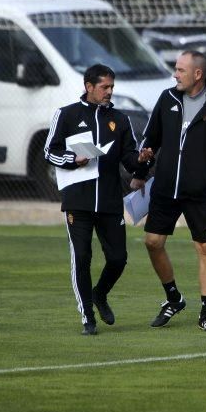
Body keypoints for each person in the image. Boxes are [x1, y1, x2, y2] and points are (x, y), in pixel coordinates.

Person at [133, 50, 206, 332]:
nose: (174, 74)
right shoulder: (166, 99)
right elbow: (150, 140)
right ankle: (173, 298)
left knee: (205, 248)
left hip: (198, 193)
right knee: (152, 242)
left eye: (180, 70)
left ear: (198, 74)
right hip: (165, 188)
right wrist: (141, 171)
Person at [44, 64, 149, 336]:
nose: (109, 92)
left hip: (110, 201)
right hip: (77, 201)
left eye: (112, 87)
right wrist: (72, 160)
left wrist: (142, 160)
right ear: (89, 86)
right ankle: (87, 317)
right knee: (81, 256)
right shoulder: (66, 115)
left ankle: (99, 294)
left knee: (118, 259)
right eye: (104, 87)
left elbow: (129, 158)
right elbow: (50, 151)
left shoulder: (120, 119)